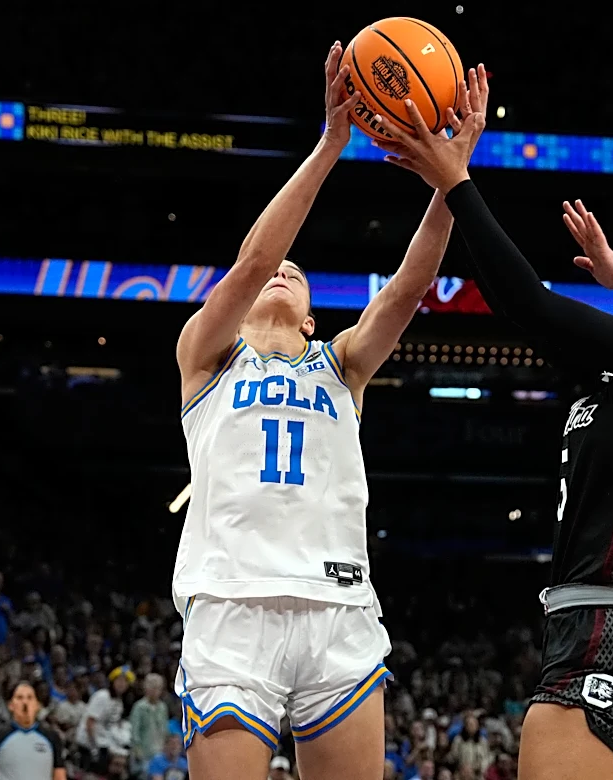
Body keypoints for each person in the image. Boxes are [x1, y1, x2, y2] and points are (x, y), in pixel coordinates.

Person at [369, 71, 613, 780]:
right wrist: (450, 184)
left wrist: (460, 181)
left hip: (606, 632)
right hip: (611, 628)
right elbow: (515, 303)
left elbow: (535, 304)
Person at [172, 42, 487, 780]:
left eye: (297, 273)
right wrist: (330, 143)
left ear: (313, 317)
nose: (281, 270)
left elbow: (408, 289)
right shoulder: (206, 355)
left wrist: (451, 179)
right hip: (231, 601)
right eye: (272, 269)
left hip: (337, 606)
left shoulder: (340, 364)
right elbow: (253, 260)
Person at [0, 681, 65, 780]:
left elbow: (59, 775)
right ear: (10, 705)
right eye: (19, 698)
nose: (25, 702)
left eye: (30, 698)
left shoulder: (52, 737)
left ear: (37, 705)